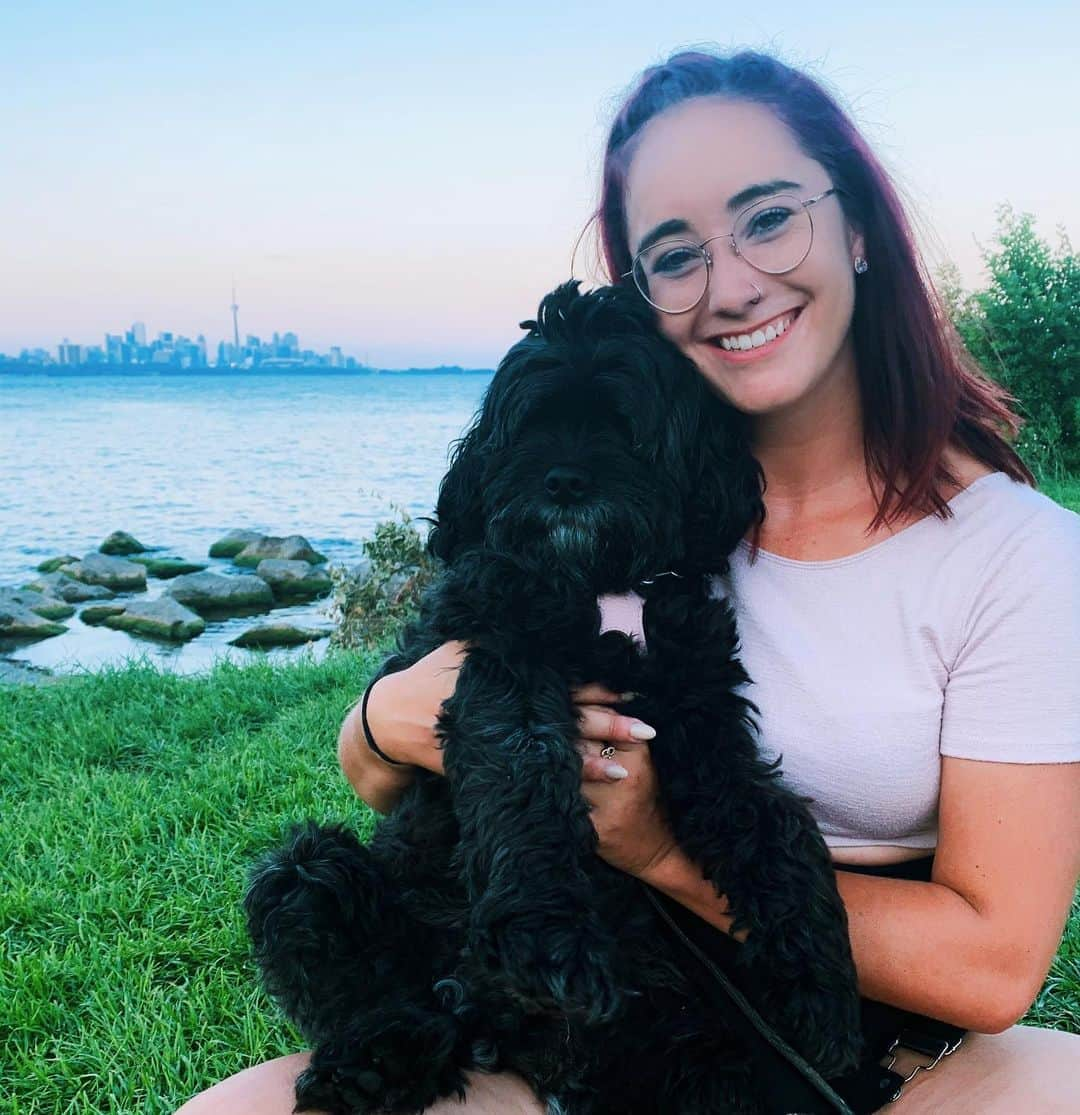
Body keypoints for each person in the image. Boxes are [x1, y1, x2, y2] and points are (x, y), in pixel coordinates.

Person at [176, 48, 1080, 1114]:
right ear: (641, 289)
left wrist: (655, 845)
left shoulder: (1014, 553)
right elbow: (389, 762)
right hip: (528, 1004)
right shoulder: (639, 518)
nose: (732, 279)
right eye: (675, 252)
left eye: (769, 215)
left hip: (836, 1033)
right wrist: (380, 718)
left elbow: (993, 964)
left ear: (860, 226)